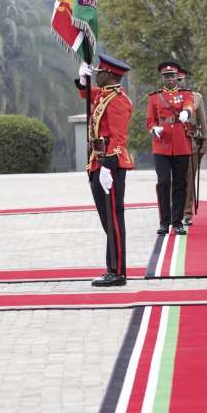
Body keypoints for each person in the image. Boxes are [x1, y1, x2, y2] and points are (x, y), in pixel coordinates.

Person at [76, 54, 134, 287]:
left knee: (113, 220)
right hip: (98, 163)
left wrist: (108, 167)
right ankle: (113, 268)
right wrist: (83, 79)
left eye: (99, 71)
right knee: (106, 220)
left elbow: (119, 137)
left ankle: (117, 272)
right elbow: (86, 96)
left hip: (110, 166)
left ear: (109, 74)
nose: (96, 74)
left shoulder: (118, 100)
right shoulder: (104, 95)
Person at [146, 61, 194, 236]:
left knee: (180, 183)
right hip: (162, 145)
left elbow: (190, 105)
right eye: (166, 77)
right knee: (164, 182)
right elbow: (149, 120)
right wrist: (153, 129)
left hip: (181, 144)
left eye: (172, 76)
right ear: (162, 78)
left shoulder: (185, 94)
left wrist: (186, 113)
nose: (170, 79)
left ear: (177, 77)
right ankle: (164, 221)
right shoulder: (154, 97)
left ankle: (177, 221)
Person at [179, 67, 207, 226]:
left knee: (189, 180)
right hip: (173, 146)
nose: (179, 82)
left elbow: (203, 122)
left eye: (181, 79)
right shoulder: (164, 97)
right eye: (176, 79)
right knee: (175, 180)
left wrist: (204, 144)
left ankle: (187, 213)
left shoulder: (196, 98)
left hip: (192, 145)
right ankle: (175, 209)